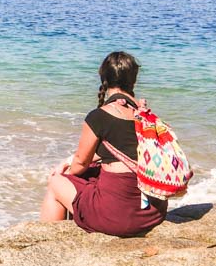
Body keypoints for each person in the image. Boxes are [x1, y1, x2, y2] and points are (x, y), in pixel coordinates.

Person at [39, 51, 168, 236]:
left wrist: (64, 170)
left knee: (55, 182)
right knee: (91, 173)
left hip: (117, 218)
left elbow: (81, 163)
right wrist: (70, 161)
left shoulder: (99, 116)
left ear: (104, 79)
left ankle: (49, 243)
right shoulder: (146, 116)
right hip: (151, 212)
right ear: (134, 80)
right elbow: (124, 148)